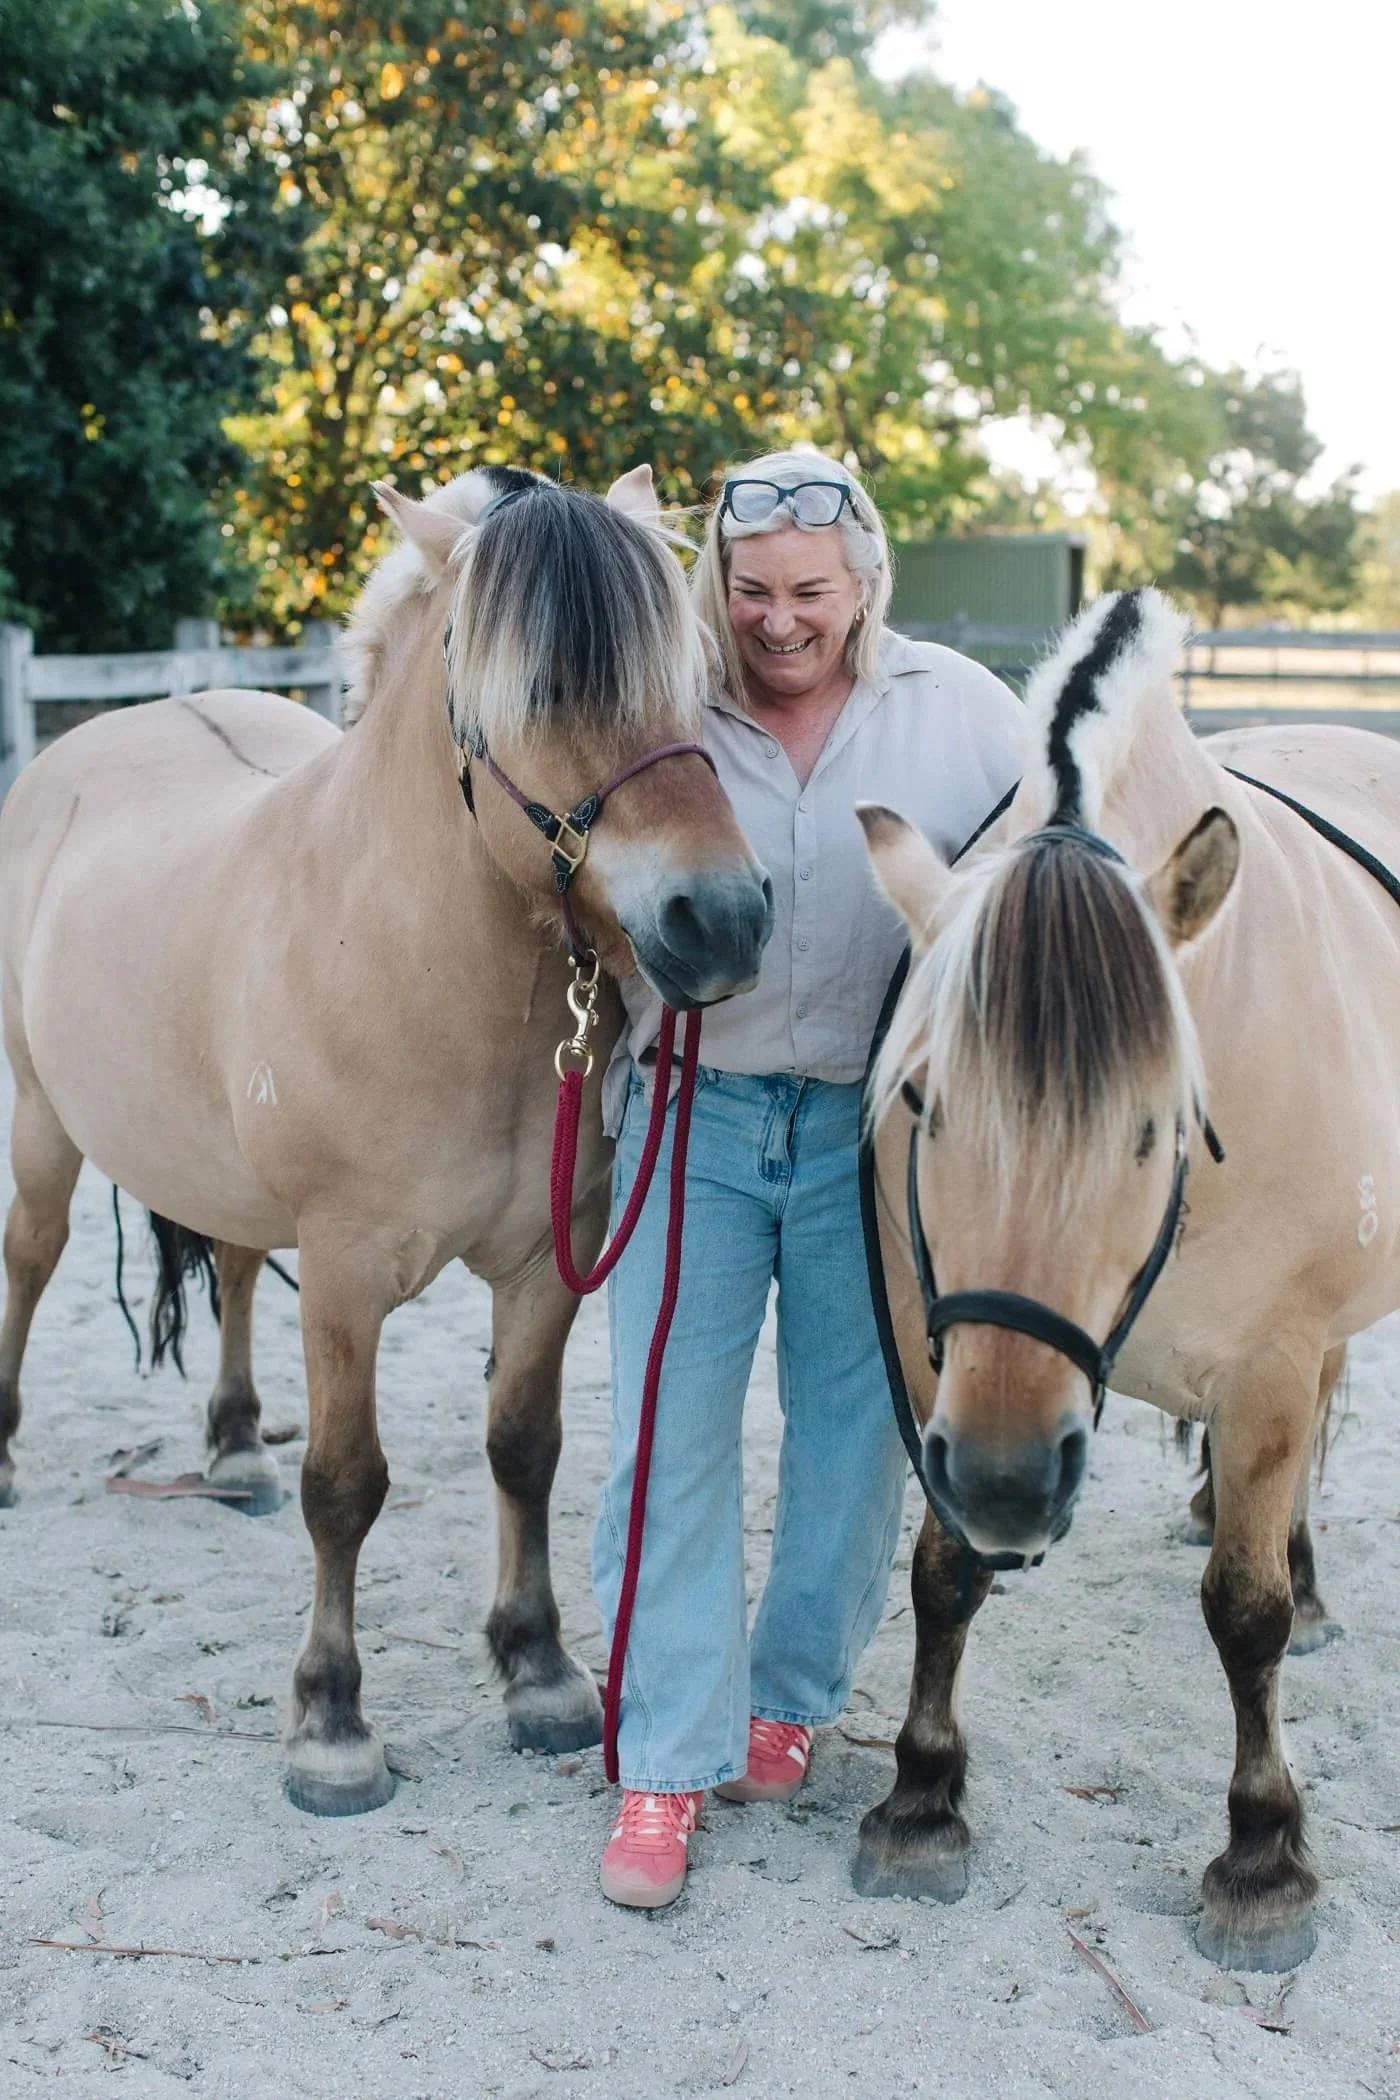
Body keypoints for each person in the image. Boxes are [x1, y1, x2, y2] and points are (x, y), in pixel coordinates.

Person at [593, 450, 1024, 1907]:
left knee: (854, 1438)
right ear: (721, 582)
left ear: (866, 582)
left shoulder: (965, 715)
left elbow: (1050, 877)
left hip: (868, 1136)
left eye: (811, 594)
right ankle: (662, 1763)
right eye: (754, 589)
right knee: (669, 1441)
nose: (781, 620)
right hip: (689, 1115)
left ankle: (789, 1694)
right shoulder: (663, 701)